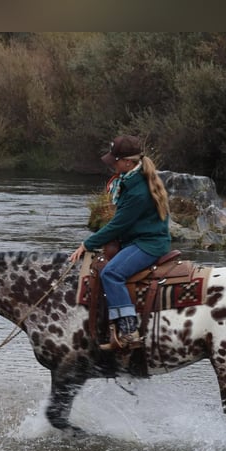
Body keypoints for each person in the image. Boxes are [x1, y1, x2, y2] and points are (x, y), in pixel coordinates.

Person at [69, 135, 171, 350]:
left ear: (128, 162)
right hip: (139, 239)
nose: (112, 164)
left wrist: (86, 245)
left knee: (111, 274)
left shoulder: (138, 191)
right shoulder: (133, 180)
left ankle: (129, 329)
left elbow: (118, 225)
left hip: (148, 244)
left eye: (115, 160)